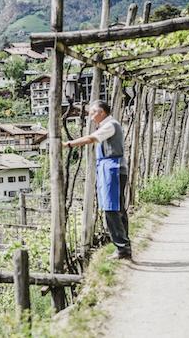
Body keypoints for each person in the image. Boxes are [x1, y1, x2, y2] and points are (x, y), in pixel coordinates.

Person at [63, 100, 132, 259]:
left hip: (113, 169)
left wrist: (68, 144)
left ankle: (122, 247)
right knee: (118, 208)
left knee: (111, 208)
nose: (90, 116)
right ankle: (124, 245)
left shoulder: (110, 125)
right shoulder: (109, 125)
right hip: (112, 168)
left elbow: (91, 139)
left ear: (101, 112)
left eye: (93, 112)